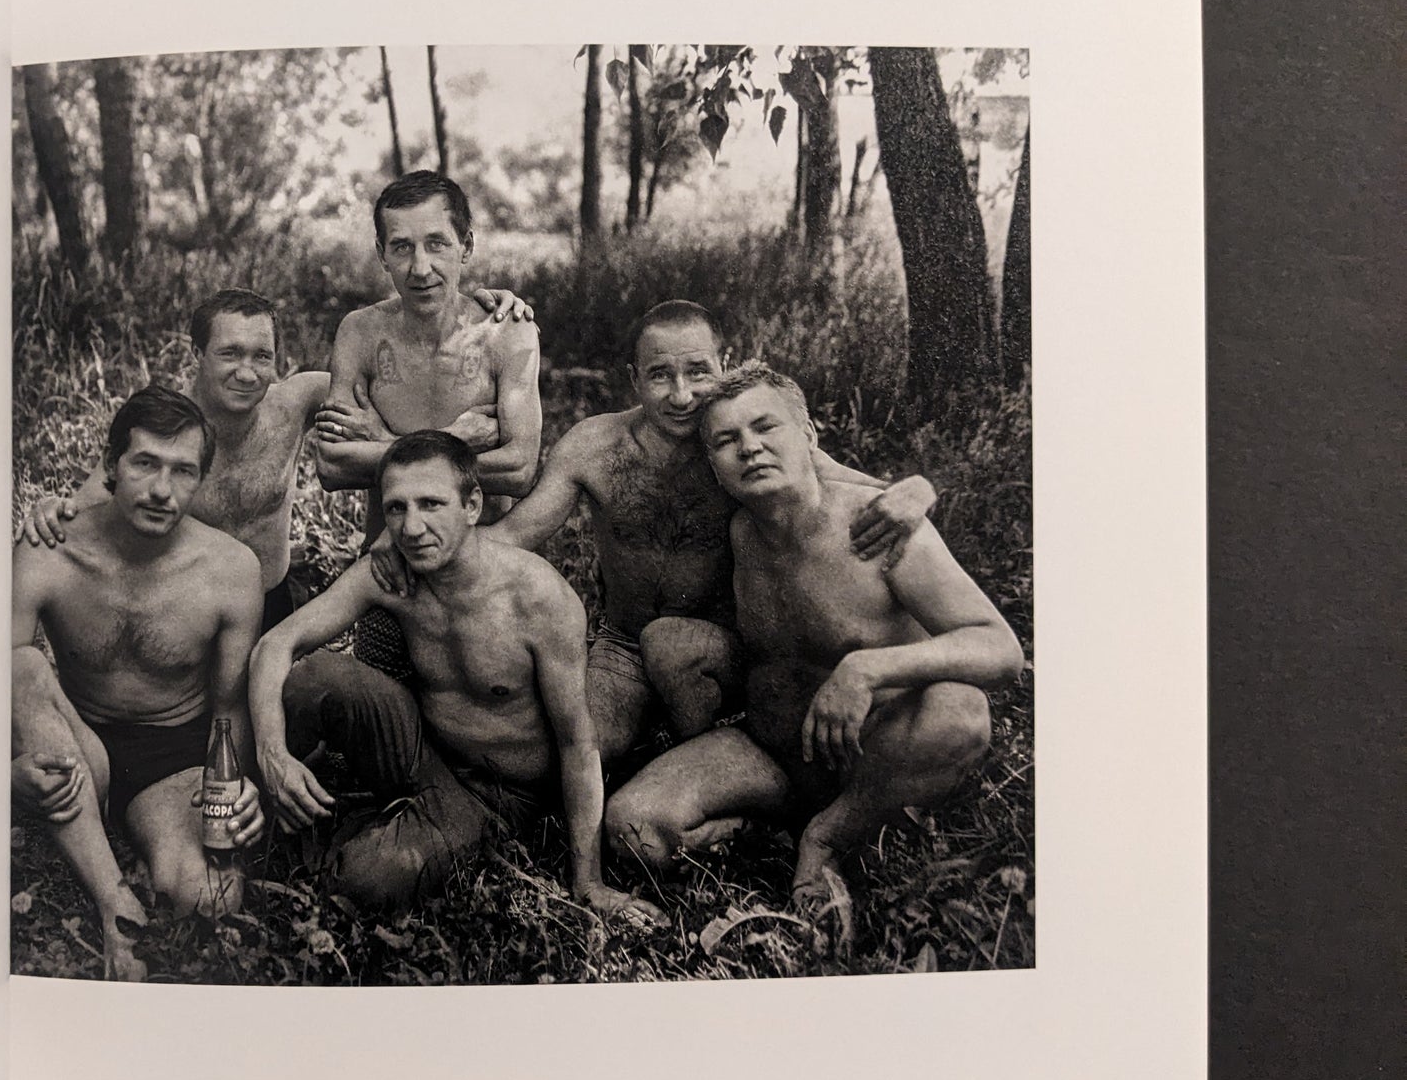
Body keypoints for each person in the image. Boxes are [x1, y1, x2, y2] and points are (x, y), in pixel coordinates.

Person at [370, 300, 939, 767]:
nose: (683, 395)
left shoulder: (740, 444)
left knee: (673, 645)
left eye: (699, 372)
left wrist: (918, 491)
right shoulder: (595, 446)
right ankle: (654, 752)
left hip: (729, 646)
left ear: (725, 364)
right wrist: (415, 536)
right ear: (633, 379)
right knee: (580, 753)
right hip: (623, 644)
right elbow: (518, 532)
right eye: (661, 375)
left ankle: (697, 751)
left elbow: (857, 485)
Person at [603, 363, 1023, 939]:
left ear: (809, 436)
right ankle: (759, 826)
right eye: (726, 441)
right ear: (714, 466)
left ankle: (827, 836)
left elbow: (1000, 648)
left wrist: (867, 668)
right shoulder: (737, 529)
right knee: (632, 827)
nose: (749, 449)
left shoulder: (879, 525)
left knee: (960, 713)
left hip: (875, 751)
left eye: (765, 428)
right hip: (774, 752)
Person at [247, 431, 664, 924]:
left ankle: (356, 824)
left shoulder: (537, 599)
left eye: (431, 504)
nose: (412, 527)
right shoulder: (391, 575)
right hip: (423, 746)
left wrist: (588, 883)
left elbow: (578, 743)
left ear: (471, 505)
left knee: (361, 883)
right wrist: (271, 754)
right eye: (396, 508)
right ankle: (257, 800)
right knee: (313, 677)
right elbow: (276, 644)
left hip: (497, 793)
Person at [23, 284, 531, 631]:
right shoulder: (163, 423)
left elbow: (405, 410)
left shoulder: (300, 398)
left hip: (272, 597)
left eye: (261, 356)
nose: (247, 373)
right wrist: (55, 508)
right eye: (229, 354)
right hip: (184, 603)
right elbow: (93, 497)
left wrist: (484, 301)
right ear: (196, 353)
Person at [12, 385, 268, 980]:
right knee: (19, 663)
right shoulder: (47, 551)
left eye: (183, 472)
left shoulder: (231, 571)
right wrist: (4, 773)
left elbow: (230, 707)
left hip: (172, 754)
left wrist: (237, 783)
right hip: (77, 737)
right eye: (145, 463)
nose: (161, 490)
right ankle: (113, 902)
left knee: (209, 898)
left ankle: (113, 836)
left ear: (201, 480)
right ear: (109, 467)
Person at [312, 171, 544, 678]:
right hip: (392, 572)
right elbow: (331, 465)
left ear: (467, 246)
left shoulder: (507, 333)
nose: (421, 268)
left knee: (494, 731)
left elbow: (522, 467)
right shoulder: (361, 331)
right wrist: (455, 441)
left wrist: (383, 444)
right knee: (379, 727)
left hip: (488, 571)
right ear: (381, 253)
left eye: (437, 244)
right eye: (402, 248)